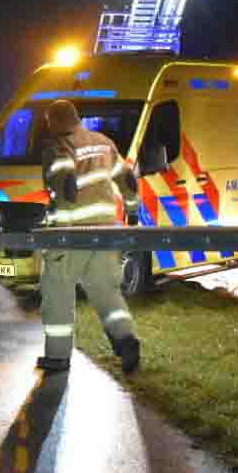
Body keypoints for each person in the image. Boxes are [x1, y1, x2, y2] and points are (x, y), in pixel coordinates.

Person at [38, 98, 142, 373]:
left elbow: (65, 182)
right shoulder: (104, 142)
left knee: (57, 292)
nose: (48, 128)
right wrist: (132, 212)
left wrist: (59, 195)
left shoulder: (60, 145)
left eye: (49, 122)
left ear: (58, 120)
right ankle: (126, 341)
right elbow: (128, 180)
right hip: (107, 230)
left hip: (71, 234)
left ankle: (58, 357)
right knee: (106, 291)